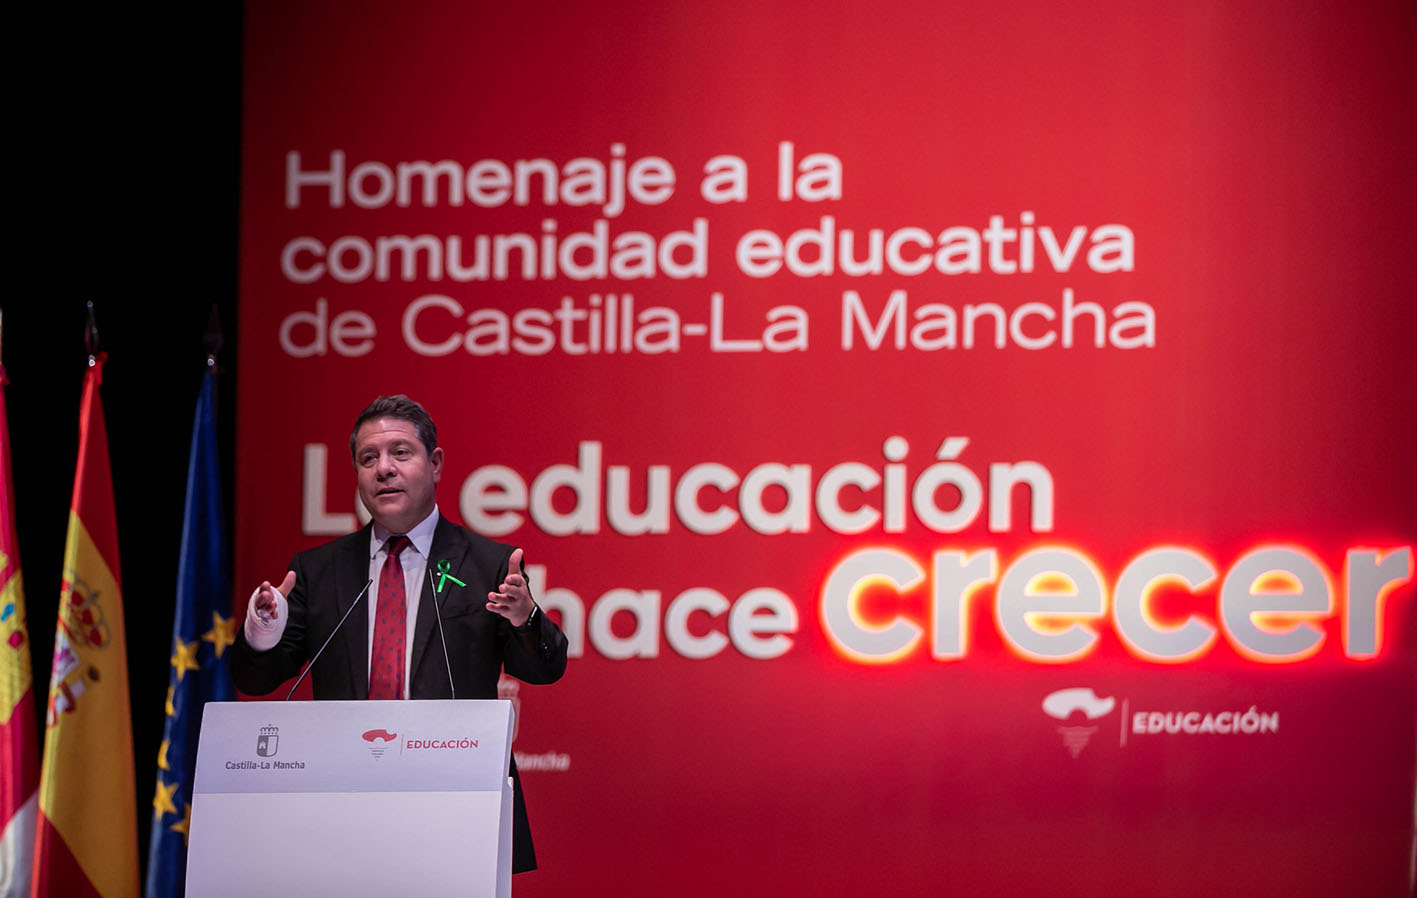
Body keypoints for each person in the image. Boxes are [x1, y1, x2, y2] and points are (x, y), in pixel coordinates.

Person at [231, 394, 568, 873]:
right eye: (369, 459)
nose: (383, 469)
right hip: (341, 806)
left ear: (434, 464)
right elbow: (256, 679)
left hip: (455, 805)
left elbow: (545, 668)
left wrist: (525, 617)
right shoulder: (317, 570)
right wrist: (263, 630)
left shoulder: (487, 563)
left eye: (400, 453)